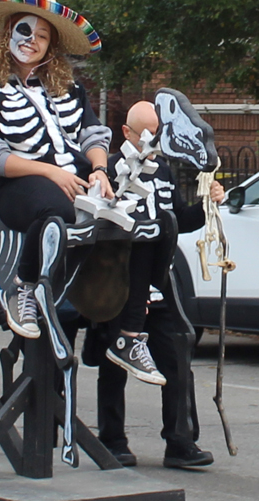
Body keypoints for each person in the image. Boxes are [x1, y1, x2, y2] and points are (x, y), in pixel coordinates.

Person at [0, 0, 114, 339]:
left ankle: (130, 322)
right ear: (9, 34)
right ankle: (24, 285)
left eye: (42, 36)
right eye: (25, 31)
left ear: (51, 46)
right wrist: (49, 171)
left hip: (75, 177)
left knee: (143, 206)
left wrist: (101, 170)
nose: (32, 41)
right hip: (18, 184)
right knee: (54, 208)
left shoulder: (69, 88)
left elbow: (92, 134)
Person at [89, 100, 224, 468]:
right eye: (146, 132)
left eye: (158, 132)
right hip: (120, 281)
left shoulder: (163, 170)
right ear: (126, 133)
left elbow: (179, 219)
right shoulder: (110, 168)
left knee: (177, 356)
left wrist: (207, 205)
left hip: (159, 283)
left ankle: (180, 441)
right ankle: (113, 439)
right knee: (116, 360)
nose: (153, 139)